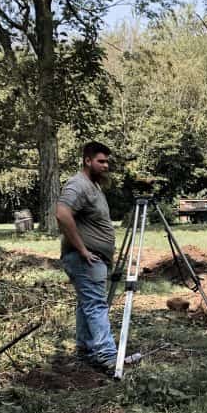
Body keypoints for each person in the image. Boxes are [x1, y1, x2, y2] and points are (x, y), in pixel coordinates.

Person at [55, 142, 139, 376]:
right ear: (87, 160)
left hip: (94, 259)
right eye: (101, 161)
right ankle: (109, 357)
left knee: (86, 305)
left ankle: (87, 352)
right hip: (84, 259)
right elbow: (62, 213)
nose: (106, 165)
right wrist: (82, 249)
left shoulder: (93, 187)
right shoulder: (78, 184)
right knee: (95, 305)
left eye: (107, 162)